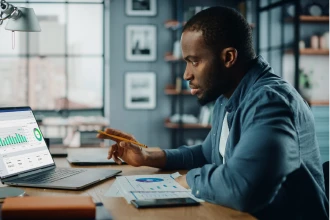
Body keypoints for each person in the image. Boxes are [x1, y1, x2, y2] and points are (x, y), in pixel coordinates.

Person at [97, 6, 330, 219]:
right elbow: (208, 153)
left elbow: (242, 188)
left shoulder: (268, 102)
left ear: (228, 57)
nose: (186, 74)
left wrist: (189, 179)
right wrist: (148, 156)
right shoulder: (227, 96)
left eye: (194, 61)